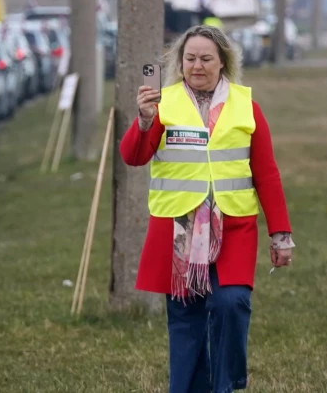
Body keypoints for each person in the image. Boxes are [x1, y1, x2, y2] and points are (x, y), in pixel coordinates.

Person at [120, 25, 294, 393]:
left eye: (205, 59)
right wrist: (145, 120)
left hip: (234, 227)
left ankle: (225, 383)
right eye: (190, 58)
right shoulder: (162, 104)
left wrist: (281, 234)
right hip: (179, 231)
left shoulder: (246, 106)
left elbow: (267, 174)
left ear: (223, 62)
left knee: (231, 303)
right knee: (186, 319)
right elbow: (133, 156)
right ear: (180, 63)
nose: (197, 66)